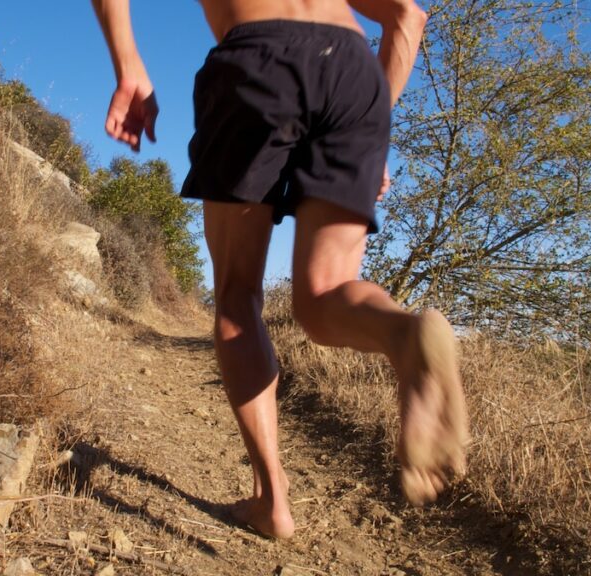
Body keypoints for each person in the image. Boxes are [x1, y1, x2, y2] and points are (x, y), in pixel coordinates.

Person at [91, 0, 469, 539]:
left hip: (258, 59)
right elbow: (408, 16)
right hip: (353, 73)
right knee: (327, 294)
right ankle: (404, 333)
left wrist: (128, 65)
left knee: (238, 297)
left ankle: (272, 500)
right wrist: (372, 128)